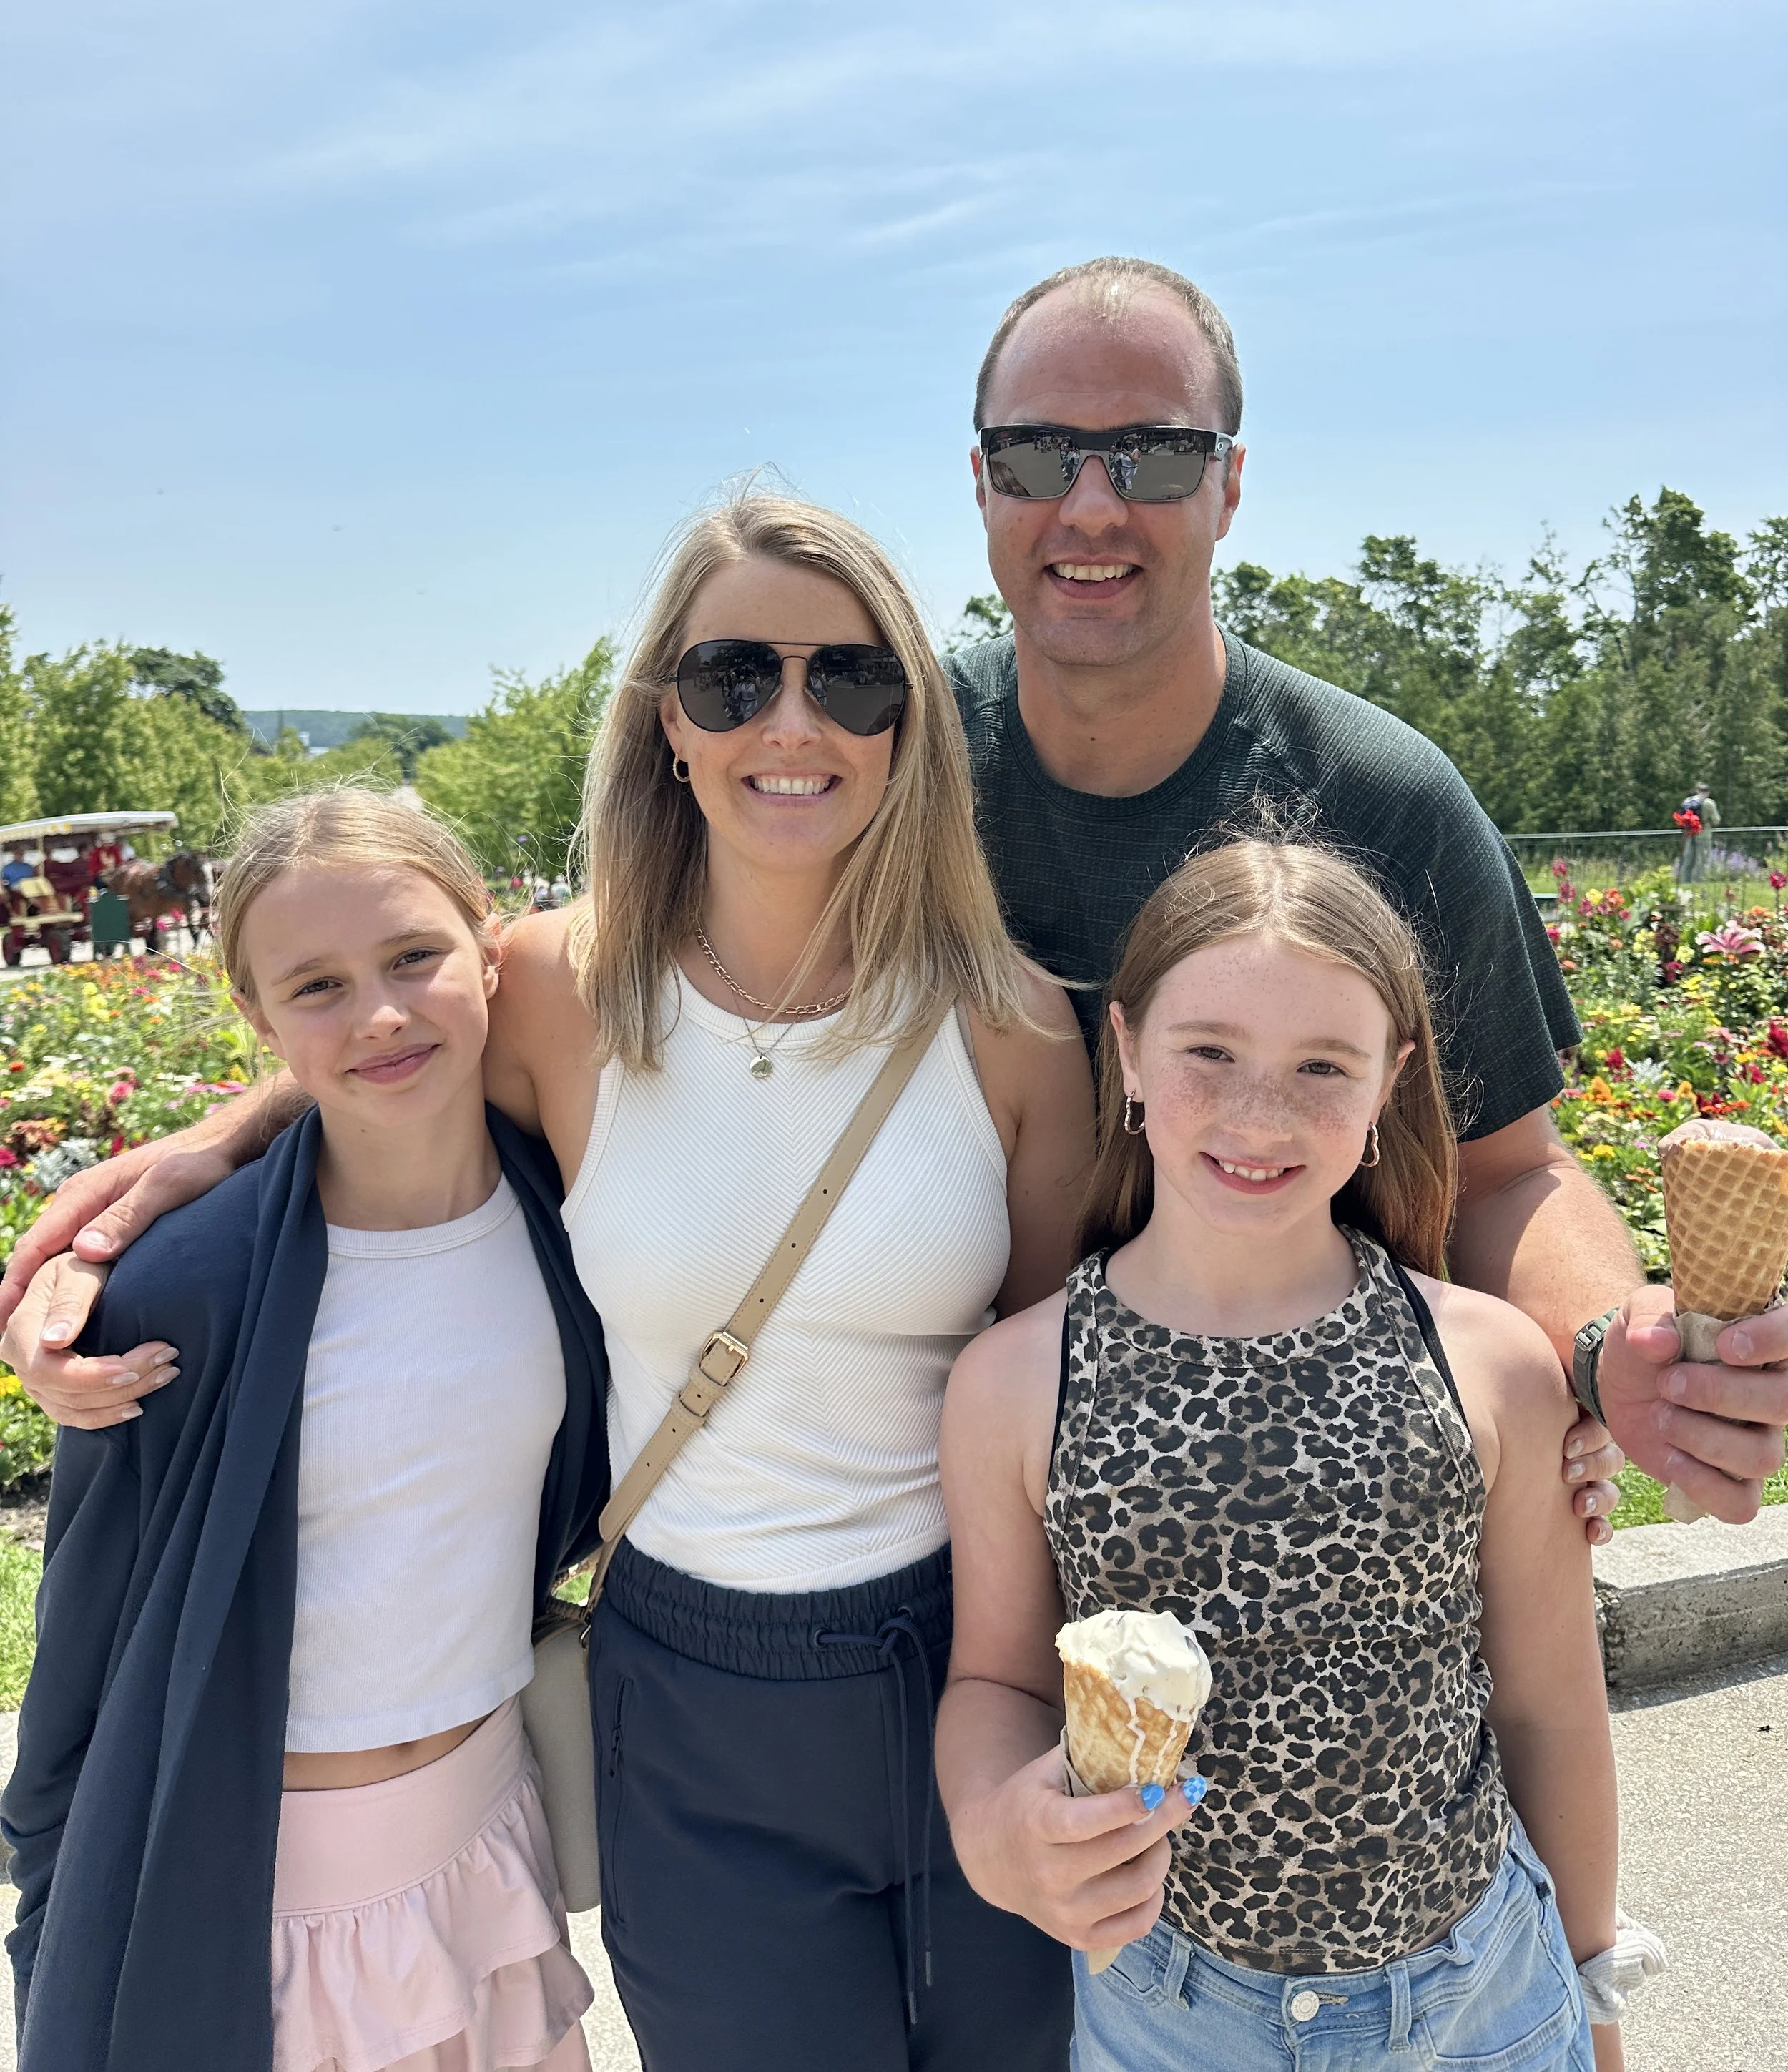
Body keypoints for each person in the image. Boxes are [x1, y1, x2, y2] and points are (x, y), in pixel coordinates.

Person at [1, 497, 1095, 2072]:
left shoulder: (1012, 1026)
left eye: (848, 678)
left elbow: (1048, 1391)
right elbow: (379, 1035)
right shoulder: (559, 991)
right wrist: (199, 1155)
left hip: (964, 1658)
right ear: (668, 719)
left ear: (908, 719)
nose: (790, 723)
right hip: (688, 1679)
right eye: (732, 676)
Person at [945, 255, 1788, 1527]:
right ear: (981, 484)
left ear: (1230, 485)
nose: (1093, 505)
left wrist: (1612, 1346)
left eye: (1158, 454)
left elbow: (1508, 1172)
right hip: (934, 1519)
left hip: (1316, 1523)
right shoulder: (884, 774)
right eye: (1036, 454)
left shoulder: (1385, 801)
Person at [936, 839, 1647, 2072]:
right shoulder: (1013, 1380)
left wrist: (1594, 1983)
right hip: (1168, 2005)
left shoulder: (1486, 1361)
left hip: (1484, 1995)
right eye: (1209, 1049)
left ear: (1391, 1082)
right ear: (1128, 1053)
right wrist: (994, 1817)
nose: (1260, 1113)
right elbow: (996, 1682)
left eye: (1324, 1065)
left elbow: (1549, 1704)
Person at [3, 790, 609, 2072]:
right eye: (317, 985)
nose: (382, 1013)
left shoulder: (573, 1216)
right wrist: (54, 1926)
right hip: (258, 1913)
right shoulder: (186, 1290)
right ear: (257, 1019)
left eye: (413, 957)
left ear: (490, 951)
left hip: (490, 1855)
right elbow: (83, 1648)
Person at [1674, 782, 1721, 882]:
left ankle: (1684, 882)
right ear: (1707, 792)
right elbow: (1716, 821)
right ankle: (1698, 883)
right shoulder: (1709, 803)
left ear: (1697, 791)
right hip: (1704, 834)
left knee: (1688, 861)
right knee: (1702, 861)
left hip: (1689, 834)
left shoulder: (1688, 801)